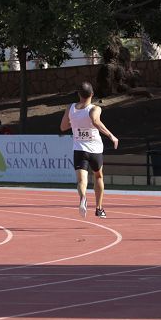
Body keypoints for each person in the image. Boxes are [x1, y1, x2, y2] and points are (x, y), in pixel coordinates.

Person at [60, 81, 119, 218]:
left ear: (79, 94)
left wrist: (75, 122)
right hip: (95, 149)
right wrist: (112, 136)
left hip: (79, 149)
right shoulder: (95, 109)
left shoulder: (70, 108)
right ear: (92, 94)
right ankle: (99, 208)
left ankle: (83, 198)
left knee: (81, 181)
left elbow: (63, 127)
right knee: (98, 176)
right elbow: (95, 121)